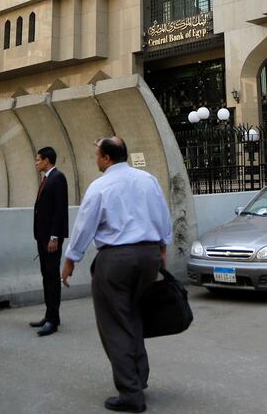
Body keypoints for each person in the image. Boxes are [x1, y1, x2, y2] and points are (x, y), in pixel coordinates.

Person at [62, 136, 171, 413]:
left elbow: (84, 225)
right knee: (133, 315)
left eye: (97, 155)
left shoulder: (100, 187)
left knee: (114, 324)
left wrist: (71, 259)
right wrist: (162, 248)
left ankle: (131, 393)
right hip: (148, 256)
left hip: (116, 260)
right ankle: (139, 378)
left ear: (107, 158)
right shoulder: (148, 179)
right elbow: (162, 214)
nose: (95, 159)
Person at [30, 146, 69, 337]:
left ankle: (53, 319)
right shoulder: (46, 179)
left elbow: (60, 210)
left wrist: (54, 236)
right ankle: (49, 314)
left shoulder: (58, 178)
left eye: (38, 160)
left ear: (47, 160)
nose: (36, 163)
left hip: (51, 238)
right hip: (42, 236)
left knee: (52, 277)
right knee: (46, 276)